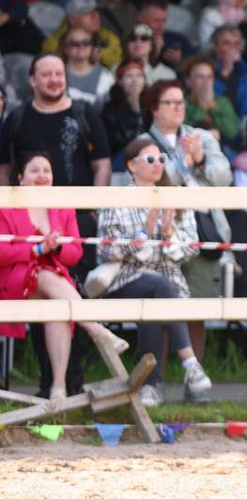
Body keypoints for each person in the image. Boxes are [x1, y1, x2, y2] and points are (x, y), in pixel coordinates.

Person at [0, 151, 130, 400]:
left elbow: (74, 254)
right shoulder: (7, 205)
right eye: (35, 170)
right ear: (20, 178)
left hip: (55, 285)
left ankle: (58, 389)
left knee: (60, 306)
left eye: (46, 170)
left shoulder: (62, 205)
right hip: (10, 281)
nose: (42, 175)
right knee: (48, 276)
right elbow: (2, 252)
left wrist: (56, 247)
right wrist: (38, 249)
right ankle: (97, 330)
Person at [97, 137, 213, 405]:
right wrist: (145, 234)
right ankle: (190, 366)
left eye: (161, 159)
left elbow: (190, 250)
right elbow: (106, 251)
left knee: (157, 290)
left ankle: (152, 386)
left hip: (168, 284)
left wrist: (170, 234)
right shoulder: (116, 198)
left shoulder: (174, 196)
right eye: (150, 159)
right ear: (131, 165)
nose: (158, 164)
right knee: (156, 287)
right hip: (124, 281)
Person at [137, 79, 232, 362]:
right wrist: (184, 163)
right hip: (161, 236)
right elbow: (157, 183)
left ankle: (196, 380)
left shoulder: (201, 137)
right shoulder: (144, 144)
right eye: (171, 102)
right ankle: (156, 380)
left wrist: (200, 156)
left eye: (182, 102)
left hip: (202, 231)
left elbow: (224, 178)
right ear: (154, 108)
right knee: (162, 310)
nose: (179, 108)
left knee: (197, 309)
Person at [0, 53, 111, 188]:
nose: (54, 80)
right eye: (46, 74)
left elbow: (102, 165)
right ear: (33, 80)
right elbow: (4, 170)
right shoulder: (16, 117)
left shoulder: (86, 113)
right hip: (31, 207)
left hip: (80, 207)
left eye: (59, 74)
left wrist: (97, 206)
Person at [43, 0, 123, 70]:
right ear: (72, 19)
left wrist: (101, 55)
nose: (94, 16)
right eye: (87, 12)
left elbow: (120, 63)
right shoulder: (54, 43)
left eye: (96, 11)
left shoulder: (108, 36)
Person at [183, 57, 239, 146]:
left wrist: (212, 106)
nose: (206, 82)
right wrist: (202, 106)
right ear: (188, 81)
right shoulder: (181, 102)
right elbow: (185, 130)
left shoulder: (223, 102)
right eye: (200, 77)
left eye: (210, 77)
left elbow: (231, 132)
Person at [100, 58, 146, 166]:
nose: (135, 80)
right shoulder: (110, 110)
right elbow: (114, 143)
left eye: (139, 76)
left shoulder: (151, 106)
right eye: (129, 76)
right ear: (120, 81)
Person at [60, 28, 114, 106]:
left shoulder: (106, 77)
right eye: (74, 43)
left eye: (86, 43)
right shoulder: (53, 73)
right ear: (65, 47)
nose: (81, 46)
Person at [209, 24, 247, 113]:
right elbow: (210, 100)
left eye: (236, 44)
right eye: (226, 43)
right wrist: (225, 73)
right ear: (215, 46)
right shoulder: (206, 67)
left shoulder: (245, 70)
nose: (232, 49)